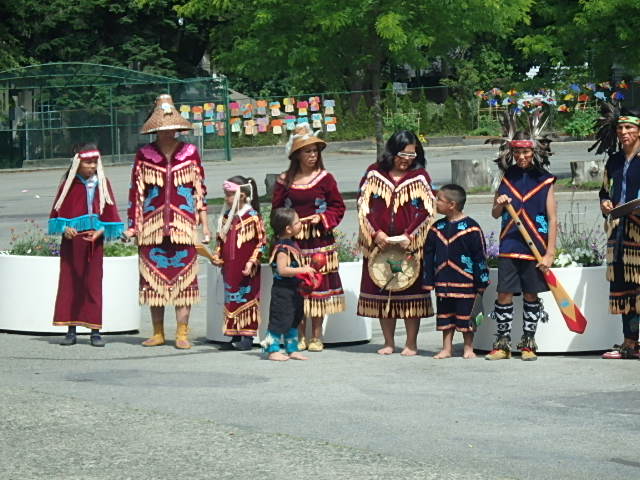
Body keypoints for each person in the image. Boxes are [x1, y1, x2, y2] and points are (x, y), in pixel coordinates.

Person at [124, 94, 210, 349]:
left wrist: (204, 224)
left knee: (185, 281)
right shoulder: (144, 154)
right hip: (151, 226)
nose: (167, 131)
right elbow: (135, 192)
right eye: (162, 128)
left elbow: (199, 189)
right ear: (155, 128)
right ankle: (158, 332)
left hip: (183, 226)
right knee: (154, 282)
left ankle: (182, 333)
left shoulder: (190, 152)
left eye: (171, 127)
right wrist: (133, 224)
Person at [485, 110, 557, 361]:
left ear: (535, 151)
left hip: (535, 246)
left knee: (530, 294)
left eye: (526, 152)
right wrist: (500, 202)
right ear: (511, 153)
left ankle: (528, 343)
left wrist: (549, 253)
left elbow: (552, 218)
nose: (522, 156)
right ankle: (502, 344)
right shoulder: (506, 177)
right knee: (504, 293)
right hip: (510, 243)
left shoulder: (545, 179)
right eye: (517, 152)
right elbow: (495, 213)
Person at [357, 130, 435, 356]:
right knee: (384, 290)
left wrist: (410, 235)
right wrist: (375, 234)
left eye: (412, 155)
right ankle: (389, 342)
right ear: (392, 152)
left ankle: (411, 343)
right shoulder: (374, 173)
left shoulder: (420, 176)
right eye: (403, 155)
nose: (407, 160)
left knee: (410, 292)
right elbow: (364, 207)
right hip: (379, 244)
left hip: (409, 245)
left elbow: (427, 212)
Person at [271, 123, 345, 352]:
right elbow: (276, 209)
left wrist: (321, 219)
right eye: (308, 151)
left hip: (319, 240)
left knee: (317, 286)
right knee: (296, 287)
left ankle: (316, 335)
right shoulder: (284, 180)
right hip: (295, 242)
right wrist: (284, 232)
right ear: (296, 155)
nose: (313, 155)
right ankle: (298, 334)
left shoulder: (325, 178)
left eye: (315, 151)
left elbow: (338, 207)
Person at [49, 145, 124, 346]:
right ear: (78, 163)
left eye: (94, 163)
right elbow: (57, 215)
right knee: (70, 283)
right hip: (72, 243)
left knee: (93, 284)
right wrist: (66, 227)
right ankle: (70, 330)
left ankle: (95, 332)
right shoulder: (68, 185)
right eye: (88, 162)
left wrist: (100, 231)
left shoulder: (103, 184)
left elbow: (111, 216)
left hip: (94, 243)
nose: (92, 166)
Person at [592, 104, 640, 359]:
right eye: (620, 127)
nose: (624, 132)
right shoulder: (615, 160)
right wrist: (605, 203)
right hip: (619, 233)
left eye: (629, 127)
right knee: (625, 291)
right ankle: (630, 343)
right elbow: (603, 190)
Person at [423, 184, 489, 359]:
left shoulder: (472, 228)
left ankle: (468, 347)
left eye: (439, 200)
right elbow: (428, 256)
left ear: (452, 204)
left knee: (466, 315)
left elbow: (480, 257)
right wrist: (428, 280)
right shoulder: (437, 228)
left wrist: (482, 281)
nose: (435, 202)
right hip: (443, 281)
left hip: (466, 282)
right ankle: (447, 348)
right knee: (445, 314)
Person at [211, 175, 266, 350]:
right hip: (229, 268)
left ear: (241, 196)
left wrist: (252, 262)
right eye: (225, 194)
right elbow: (221, 240)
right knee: (231, 299)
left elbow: (261, 242)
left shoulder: (253, 217)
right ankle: (233, 334)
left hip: (246, 268)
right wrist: (217, 255)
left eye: (229, 195)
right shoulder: (227, 217)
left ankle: (247, 337)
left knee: (247, 297)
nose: (226, 199)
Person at [261, 207, 316, 361]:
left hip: (294, 290)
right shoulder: (283, 248)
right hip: (282, 291)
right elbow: (282, 270)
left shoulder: (291, 243)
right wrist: (302, 270)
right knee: (279, 321)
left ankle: (292, 349)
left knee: (293, 320)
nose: (301, 224)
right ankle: (272, 349)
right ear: (288, 228)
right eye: (297, 222)